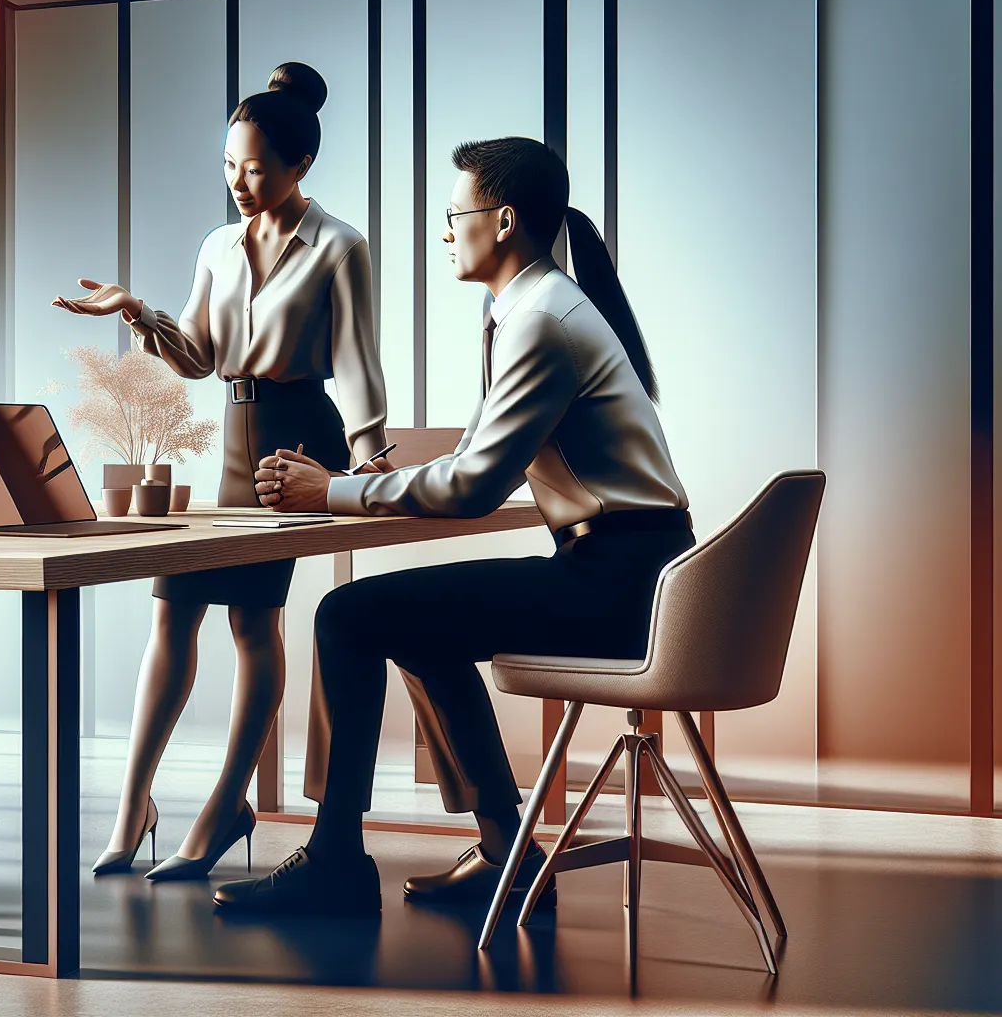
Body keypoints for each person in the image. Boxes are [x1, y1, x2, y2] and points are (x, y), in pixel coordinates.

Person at [214, 137, 693, 917]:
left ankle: (337, 861)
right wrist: (378, 479)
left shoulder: (541, 320)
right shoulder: (535, 306)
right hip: (631, 569)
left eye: (452, 215)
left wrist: (330, 488)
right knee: (415, 624)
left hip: (618, 584)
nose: (444, 231)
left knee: (347, 615)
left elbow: (472, 487)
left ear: (502, 221)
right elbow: (480, 451)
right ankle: (506, 848)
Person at [52, 62, 388, 880]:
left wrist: (371, 455)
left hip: (299, 438)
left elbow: (357, 365)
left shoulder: (339, 247)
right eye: (231, 166)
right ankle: (134, 804)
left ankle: (226, 802)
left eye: (258, 168)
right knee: (174, 609)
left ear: (300, 164)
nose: (241, 182)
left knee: (252, 623)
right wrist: (138, 311)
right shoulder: (218, 245)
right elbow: (198, 360)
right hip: (231, 431)